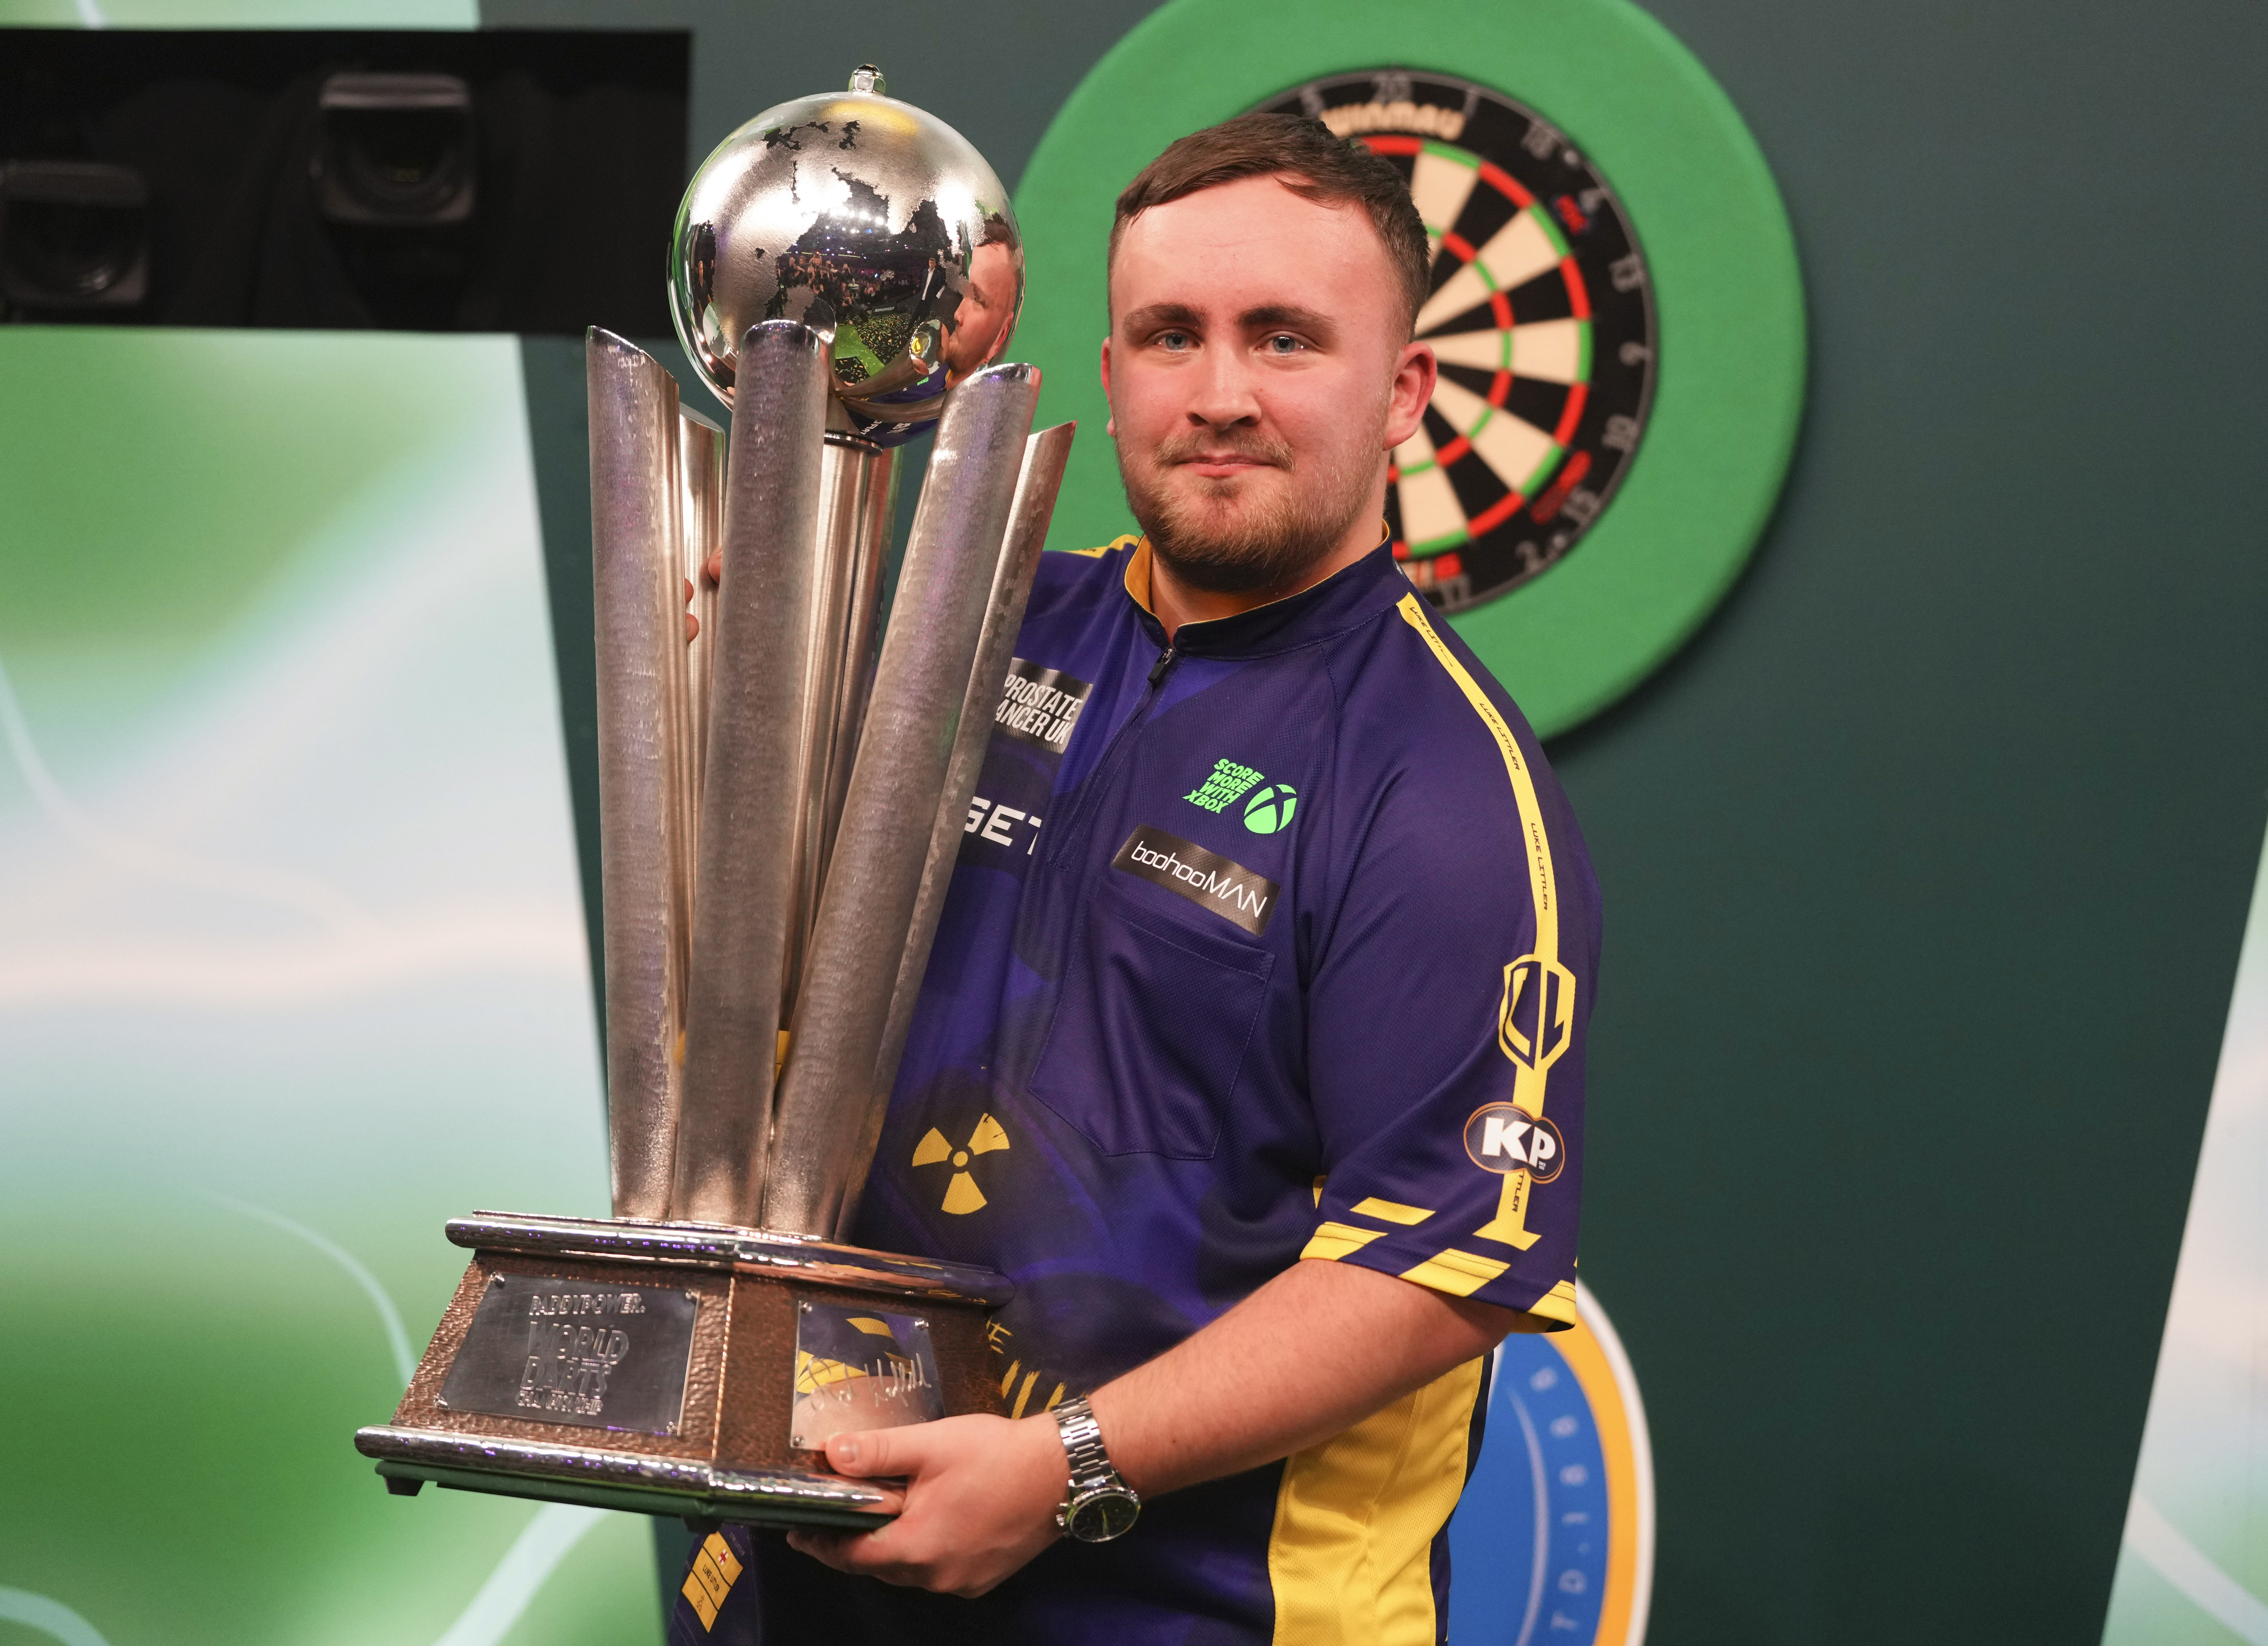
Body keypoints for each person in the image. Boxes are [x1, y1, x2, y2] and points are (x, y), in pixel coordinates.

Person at [671, 112, 1600, 1646]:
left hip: (1178, 1612)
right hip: (809, 1572)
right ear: (1106, 381)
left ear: (1405, 395)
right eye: (1171, 334)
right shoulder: (963, 634)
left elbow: (1444, 1264)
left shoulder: (1436, 789)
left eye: (1285, 339)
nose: (1218, 394)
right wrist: (758, 660)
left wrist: (1062, 1467)